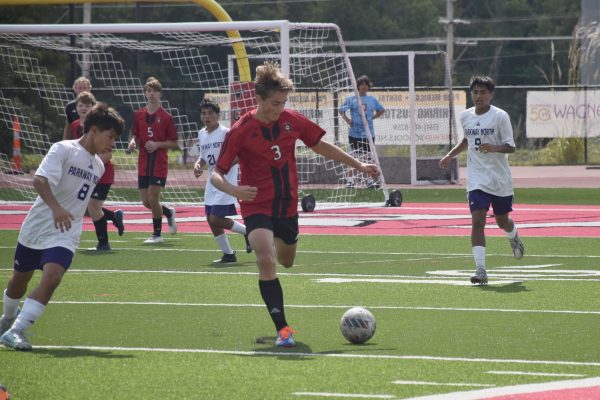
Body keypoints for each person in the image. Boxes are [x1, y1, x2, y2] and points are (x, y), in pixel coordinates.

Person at [211, 62, 380, 347]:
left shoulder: (291, 120)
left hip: (287, 206)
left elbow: (320, 145)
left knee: (286, 261)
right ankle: (283, 330)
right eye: (275, 103)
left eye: (283, 102)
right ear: (260, 99)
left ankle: (268, 242)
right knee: (266, 260)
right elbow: (217, 173)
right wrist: (234, 189)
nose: (279, 108)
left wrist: (359, 164)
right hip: (257, 206)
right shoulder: (241, 130)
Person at [0, 103, 124, 350]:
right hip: (37, 226)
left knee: (53, 276)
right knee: (19, 280)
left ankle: (16, 330)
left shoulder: (98, 165)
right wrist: (56, 208)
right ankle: (7, 319)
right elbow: (39, 180)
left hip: (66, 233)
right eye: (110, 137)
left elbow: (81, 199)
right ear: (95, 130)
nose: (113, 143)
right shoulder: (63, 149)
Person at [439, 74, 524, 285]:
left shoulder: (500, 116)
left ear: (491, 94)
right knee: (478, 220)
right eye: (475, 92)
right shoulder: (466, 116)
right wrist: (450, 155)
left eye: (483, 92)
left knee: (502, 221)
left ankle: (513, 235)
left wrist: (493, 147)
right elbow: (466, 140)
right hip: (477, 179)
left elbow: (511, 146)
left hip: (499, 179)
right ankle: (480, 270)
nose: (478, 96)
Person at [193, 98, 251, 264]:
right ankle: (228, 254)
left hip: (226, 180)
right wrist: (198, 165)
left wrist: (225, 166)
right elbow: (203, 157)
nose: (207, 116)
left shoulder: (227, 133)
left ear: (218, 115)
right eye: (203, 113)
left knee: (216, 218)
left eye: (210, 113)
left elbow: (240, 153)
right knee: (210, 219)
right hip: (212, 182)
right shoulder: (202, 133)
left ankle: (248, 232)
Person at [69, 91, 125, 250]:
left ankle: (104, 243)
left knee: (93, 207)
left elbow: (107, 154)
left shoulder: (102, 128)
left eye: (88, 105)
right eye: (81, 105)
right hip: (86, 172)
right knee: (86, 207)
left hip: (103, 173)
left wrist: (88, 163)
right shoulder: (74, 126)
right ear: (76, 107)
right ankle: (114, 216)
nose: (84, 108)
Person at [128, 77, 178, 244]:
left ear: (160, 94)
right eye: (148, 91)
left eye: (154, 91)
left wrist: (158, 144)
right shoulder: (139, 114)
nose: (151, 94)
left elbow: (174, 142)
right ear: (145, 93)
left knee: (153, 197)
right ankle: (168, 213)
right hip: (143, 162)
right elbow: (134, 133)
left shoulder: (166, 117)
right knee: (146, 201)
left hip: (159, 163)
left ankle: (157, 234)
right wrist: (133, 141)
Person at [339, 75, 385, 188]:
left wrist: (373, 117)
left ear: (368, 86)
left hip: (369, 134)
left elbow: (381, 110)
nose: (364, 86)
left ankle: (369, 181)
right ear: (358, 86)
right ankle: (350, 180)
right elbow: (341, 110)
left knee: (369, 158)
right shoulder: (351, 98)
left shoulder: (372, 100)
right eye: (361, 84)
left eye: (366, 84)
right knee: (352, 158)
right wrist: (348, 120)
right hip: (354, 133)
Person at [63, 76, 92, 140]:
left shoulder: (96, 105)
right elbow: (68, 126)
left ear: (89, 89)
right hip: (76, 140)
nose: (82, 90)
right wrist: (65, 142)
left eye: (84, 88)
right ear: (75, 89)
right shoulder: (70, 106)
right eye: (79, 88)